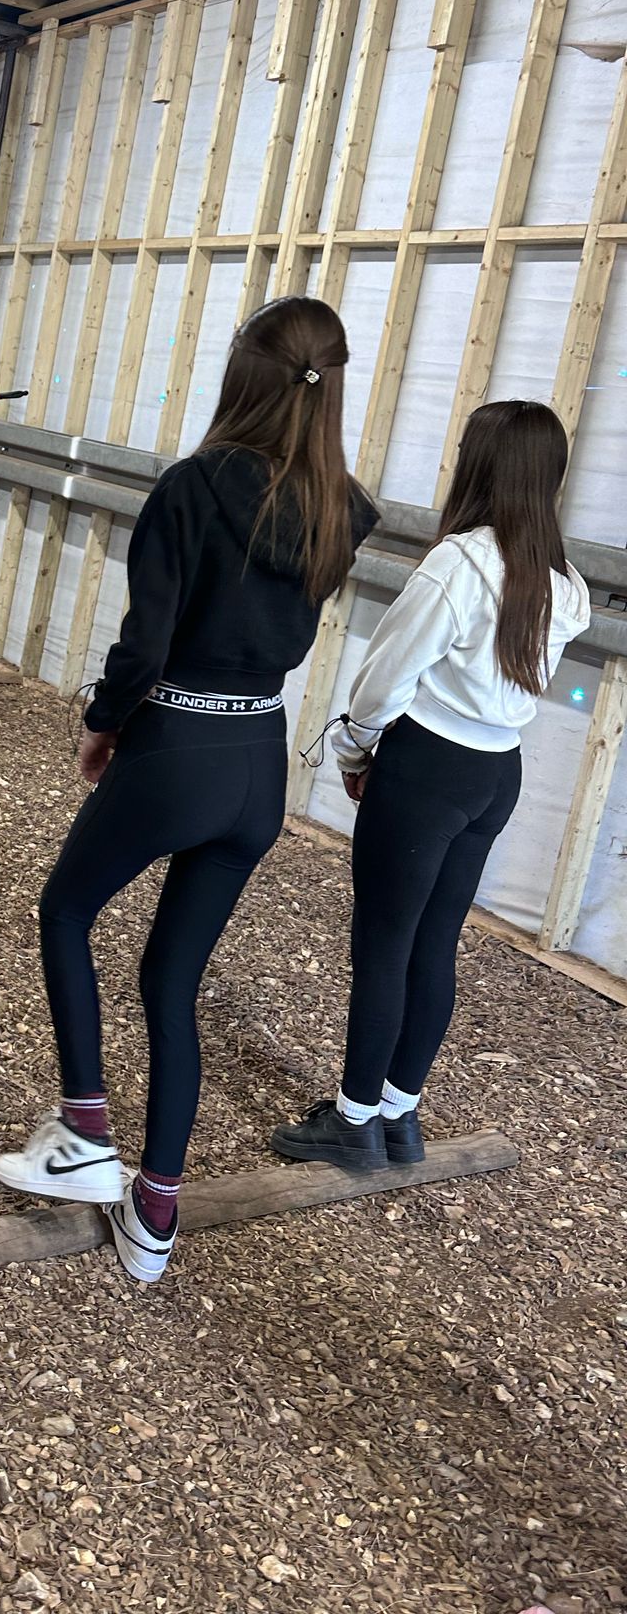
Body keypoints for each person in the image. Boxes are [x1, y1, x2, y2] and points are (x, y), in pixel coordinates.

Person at [0, 297, 378, 1286]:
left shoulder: (195, 486)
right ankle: (155, 1211)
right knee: (173, 981)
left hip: (178, 743)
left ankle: (86, 1133)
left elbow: (147, 640)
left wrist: (105, 721)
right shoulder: (344, 508)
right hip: (259, 759)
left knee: (66, 910)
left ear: (244, 370)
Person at [272, 402, 590, 1172]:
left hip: (427, 768)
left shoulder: (460, 564)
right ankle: (399, 1115)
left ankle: (353, 1123)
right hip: (496, 773)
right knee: (435, 943)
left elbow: (387, 675)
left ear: (481, 465)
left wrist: (353, 750)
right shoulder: (565, 582)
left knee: (384, 944)